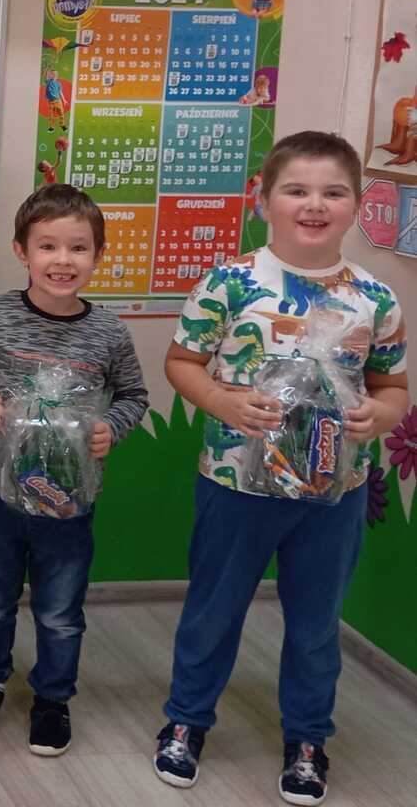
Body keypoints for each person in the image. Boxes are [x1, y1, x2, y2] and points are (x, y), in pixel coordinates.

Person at [154, 131, 408, 806]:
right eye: (296, 190)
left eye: (333, 192)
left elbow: (392, 386)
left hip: (334, 492)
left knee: (317, 624)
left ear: (357, 205)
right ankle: (186, 720)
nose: (314, 204)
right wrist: (221, 401)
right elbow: (181, 363)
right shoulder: (230, 282)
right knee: (213, 610)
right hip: (236, 484)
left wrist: (381, 416)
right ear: (263, 200)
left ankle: (307, 738)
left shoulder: (376, 298)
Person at [0, 184, 147, 756]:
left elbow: (134, 395)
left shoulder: (108, 331)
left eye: (78, 248)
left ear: (98, 255)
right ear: (22, 251)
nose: (63, 260)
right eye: (48, 246)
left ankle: (53, 697)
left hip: (68, 500)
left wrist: (113, 427)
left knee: (59, 610)